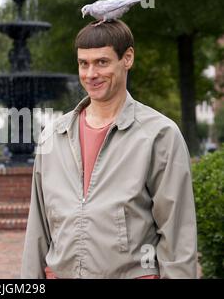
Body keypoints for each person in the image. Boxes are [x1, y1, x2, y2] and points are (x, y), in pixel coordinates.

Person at [21, 20, 197, 279]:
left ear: (127, 58)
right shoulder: (52, 136)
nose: (91, 74)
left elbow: (178, 236)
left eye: (102, 62)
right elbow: (37, 228)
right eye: (84, 63)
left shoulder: (159, 135)